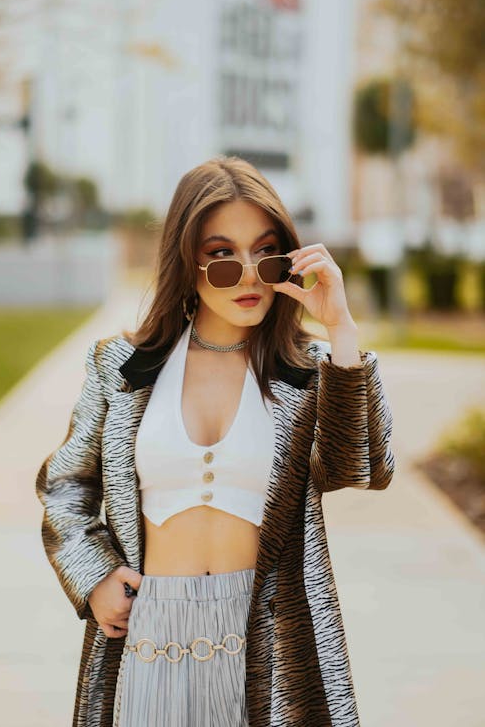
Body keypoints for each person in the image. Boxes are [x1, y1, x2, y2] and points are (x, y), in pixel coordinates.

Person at [36, 155, 395, 727]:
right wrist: (95, 573)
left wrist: (342, 331)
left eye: (267, 251)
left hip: (270, 640)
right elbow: (66, 486)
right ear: (187, 262)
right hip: (147, 631)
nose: (250, 274)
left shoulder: (310, 372)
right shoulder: (122, 367)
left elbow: (358, 468)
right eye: (222, 256)